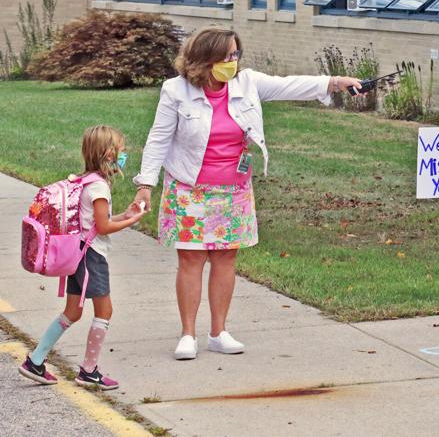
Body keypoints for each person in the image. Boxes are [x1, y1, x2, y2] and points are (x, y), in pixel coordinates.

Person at [132, 27, 362, 360]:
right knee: (192, 259)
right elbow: (158, 138)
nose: (233, 62)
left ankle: (218, 332)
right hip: (188, 189)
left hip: (233, 190)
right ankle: (187, 335)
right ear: (204, 58)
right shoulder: (175, 91)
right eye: (226, 56)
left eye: (236, 54)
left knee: (226, 259)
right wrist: (145, 185)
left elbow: (289, 85)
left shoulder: (246, 83)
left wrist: (335, 82)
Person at [19, 126, 145, 389]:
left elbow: (97, 221)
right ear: (108, 153)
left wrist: (124, 214)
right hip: (91, 257)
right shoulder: (99, 187)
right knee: (105, 310)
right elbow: (103, 227)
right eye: (120, 151)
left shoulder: (85, 180)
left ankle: (36, 360)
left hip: (78, 254)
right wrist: (132, 221)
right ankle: (89, 370)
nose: (122, 156)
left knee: (73, 311)